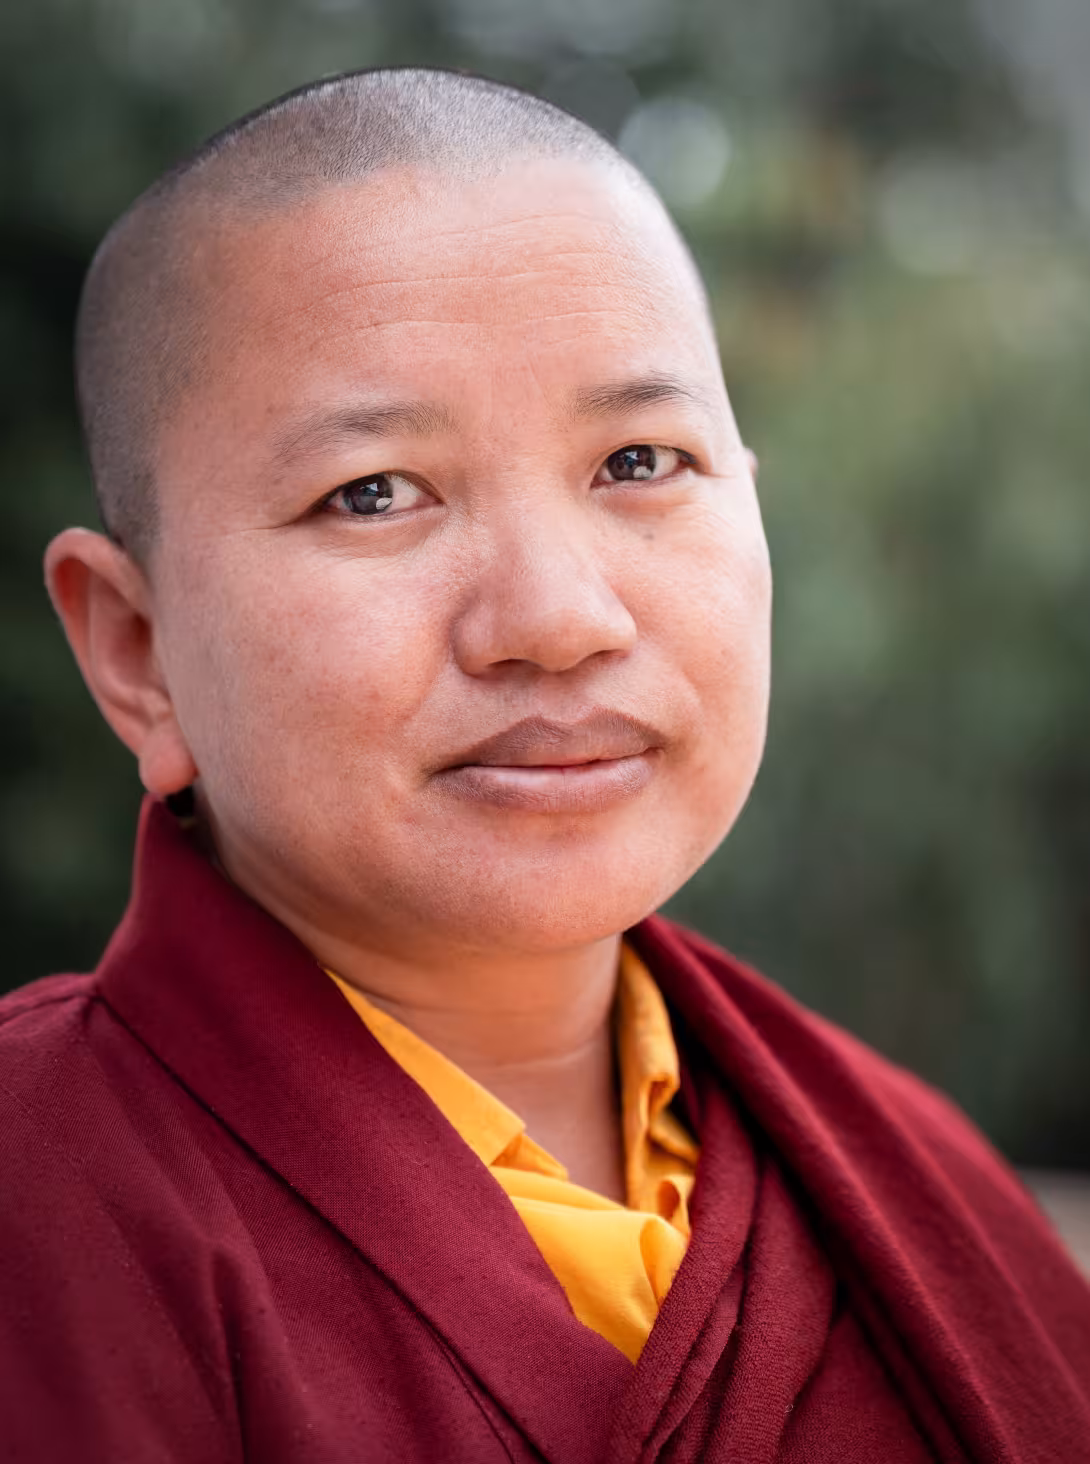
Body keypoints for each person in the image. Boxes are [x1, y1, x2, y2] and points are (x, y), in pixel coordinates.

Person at [2, 68, 1088, 1464]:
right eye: (373, 493)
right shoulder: (46, 1199)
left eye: (639, 461)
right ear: (137, 651)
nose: (560, 618)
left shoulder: (918, 1187)